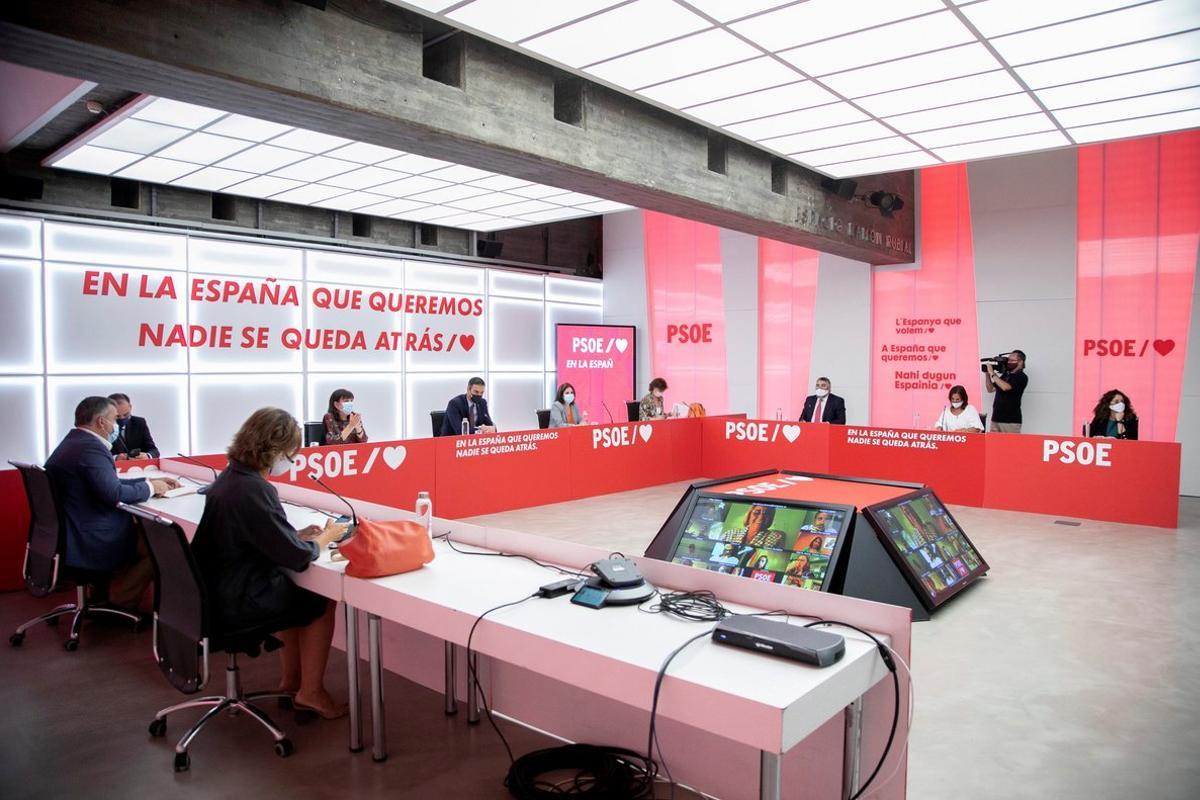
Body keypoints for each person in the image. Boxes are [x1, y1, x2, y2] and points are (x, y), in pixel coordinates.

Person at [190, 407, 348, 719]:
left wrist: (294, 534)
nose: (291, 459)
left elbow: (257, 535)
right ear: (274, 449)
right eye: (291, 452)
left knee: (292, 592)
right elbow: (299, 558)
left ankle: (291, 682)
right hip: (236, 600)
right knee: (318, 599)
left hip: (216, 590)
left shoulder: (232, 477)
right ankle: (311, 691)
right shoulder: (254, 489)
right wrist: (327, 536)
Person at [44, 396, 179, 609]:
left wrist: (147, 480)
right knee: (160, 545)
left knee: (144, 538)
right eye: (115, 419)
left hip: (70, 532)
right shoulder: (91, 448)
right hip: (91, 536)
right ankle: (121, 602)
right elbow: (113, 493)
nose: (116, 425)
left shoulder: (73, 442)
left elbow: (106, 482)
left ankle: (105, 594)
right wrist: (153, 489)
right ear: (101, 422)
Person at [986, 349, 1027, 433]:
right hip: (996, 418)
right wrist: (987, 374)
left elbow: (1005, 387)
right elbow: (990, 389)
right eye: (1008, 360)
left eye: (1012, 360)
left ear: (1020, 362)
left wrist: (992, 373)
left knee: (1010, 445)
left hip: (1011, 421)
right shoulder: (1006, 375)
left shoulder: (1022, 377)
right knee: (993, 445)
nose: (1009, 362)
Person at [108, 392, 160, 459]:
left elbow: (154, 450)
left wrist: (147, 456)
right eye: (117, 416)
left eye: (126, 414)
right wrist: (115, 458)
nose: (122, 418)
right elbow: (98, 455)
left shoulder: (139, 422)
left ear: (130, 407)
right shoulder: (102, 426)